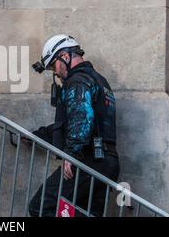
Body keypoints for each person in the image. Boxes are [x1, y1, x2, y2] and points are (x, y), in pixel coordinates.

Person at [29, 34, 120, 217]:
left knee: (41, 207)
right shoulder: (99, 80)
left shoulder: (77, 81)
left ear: (64, 56)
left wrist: (70, 154)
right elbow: (72, 122)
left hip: (89, 160)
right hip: (107, 160)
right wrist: (36, 136)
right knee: (89, 213)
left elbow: (82, 117)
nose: (55, 72)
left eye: (53, 65)